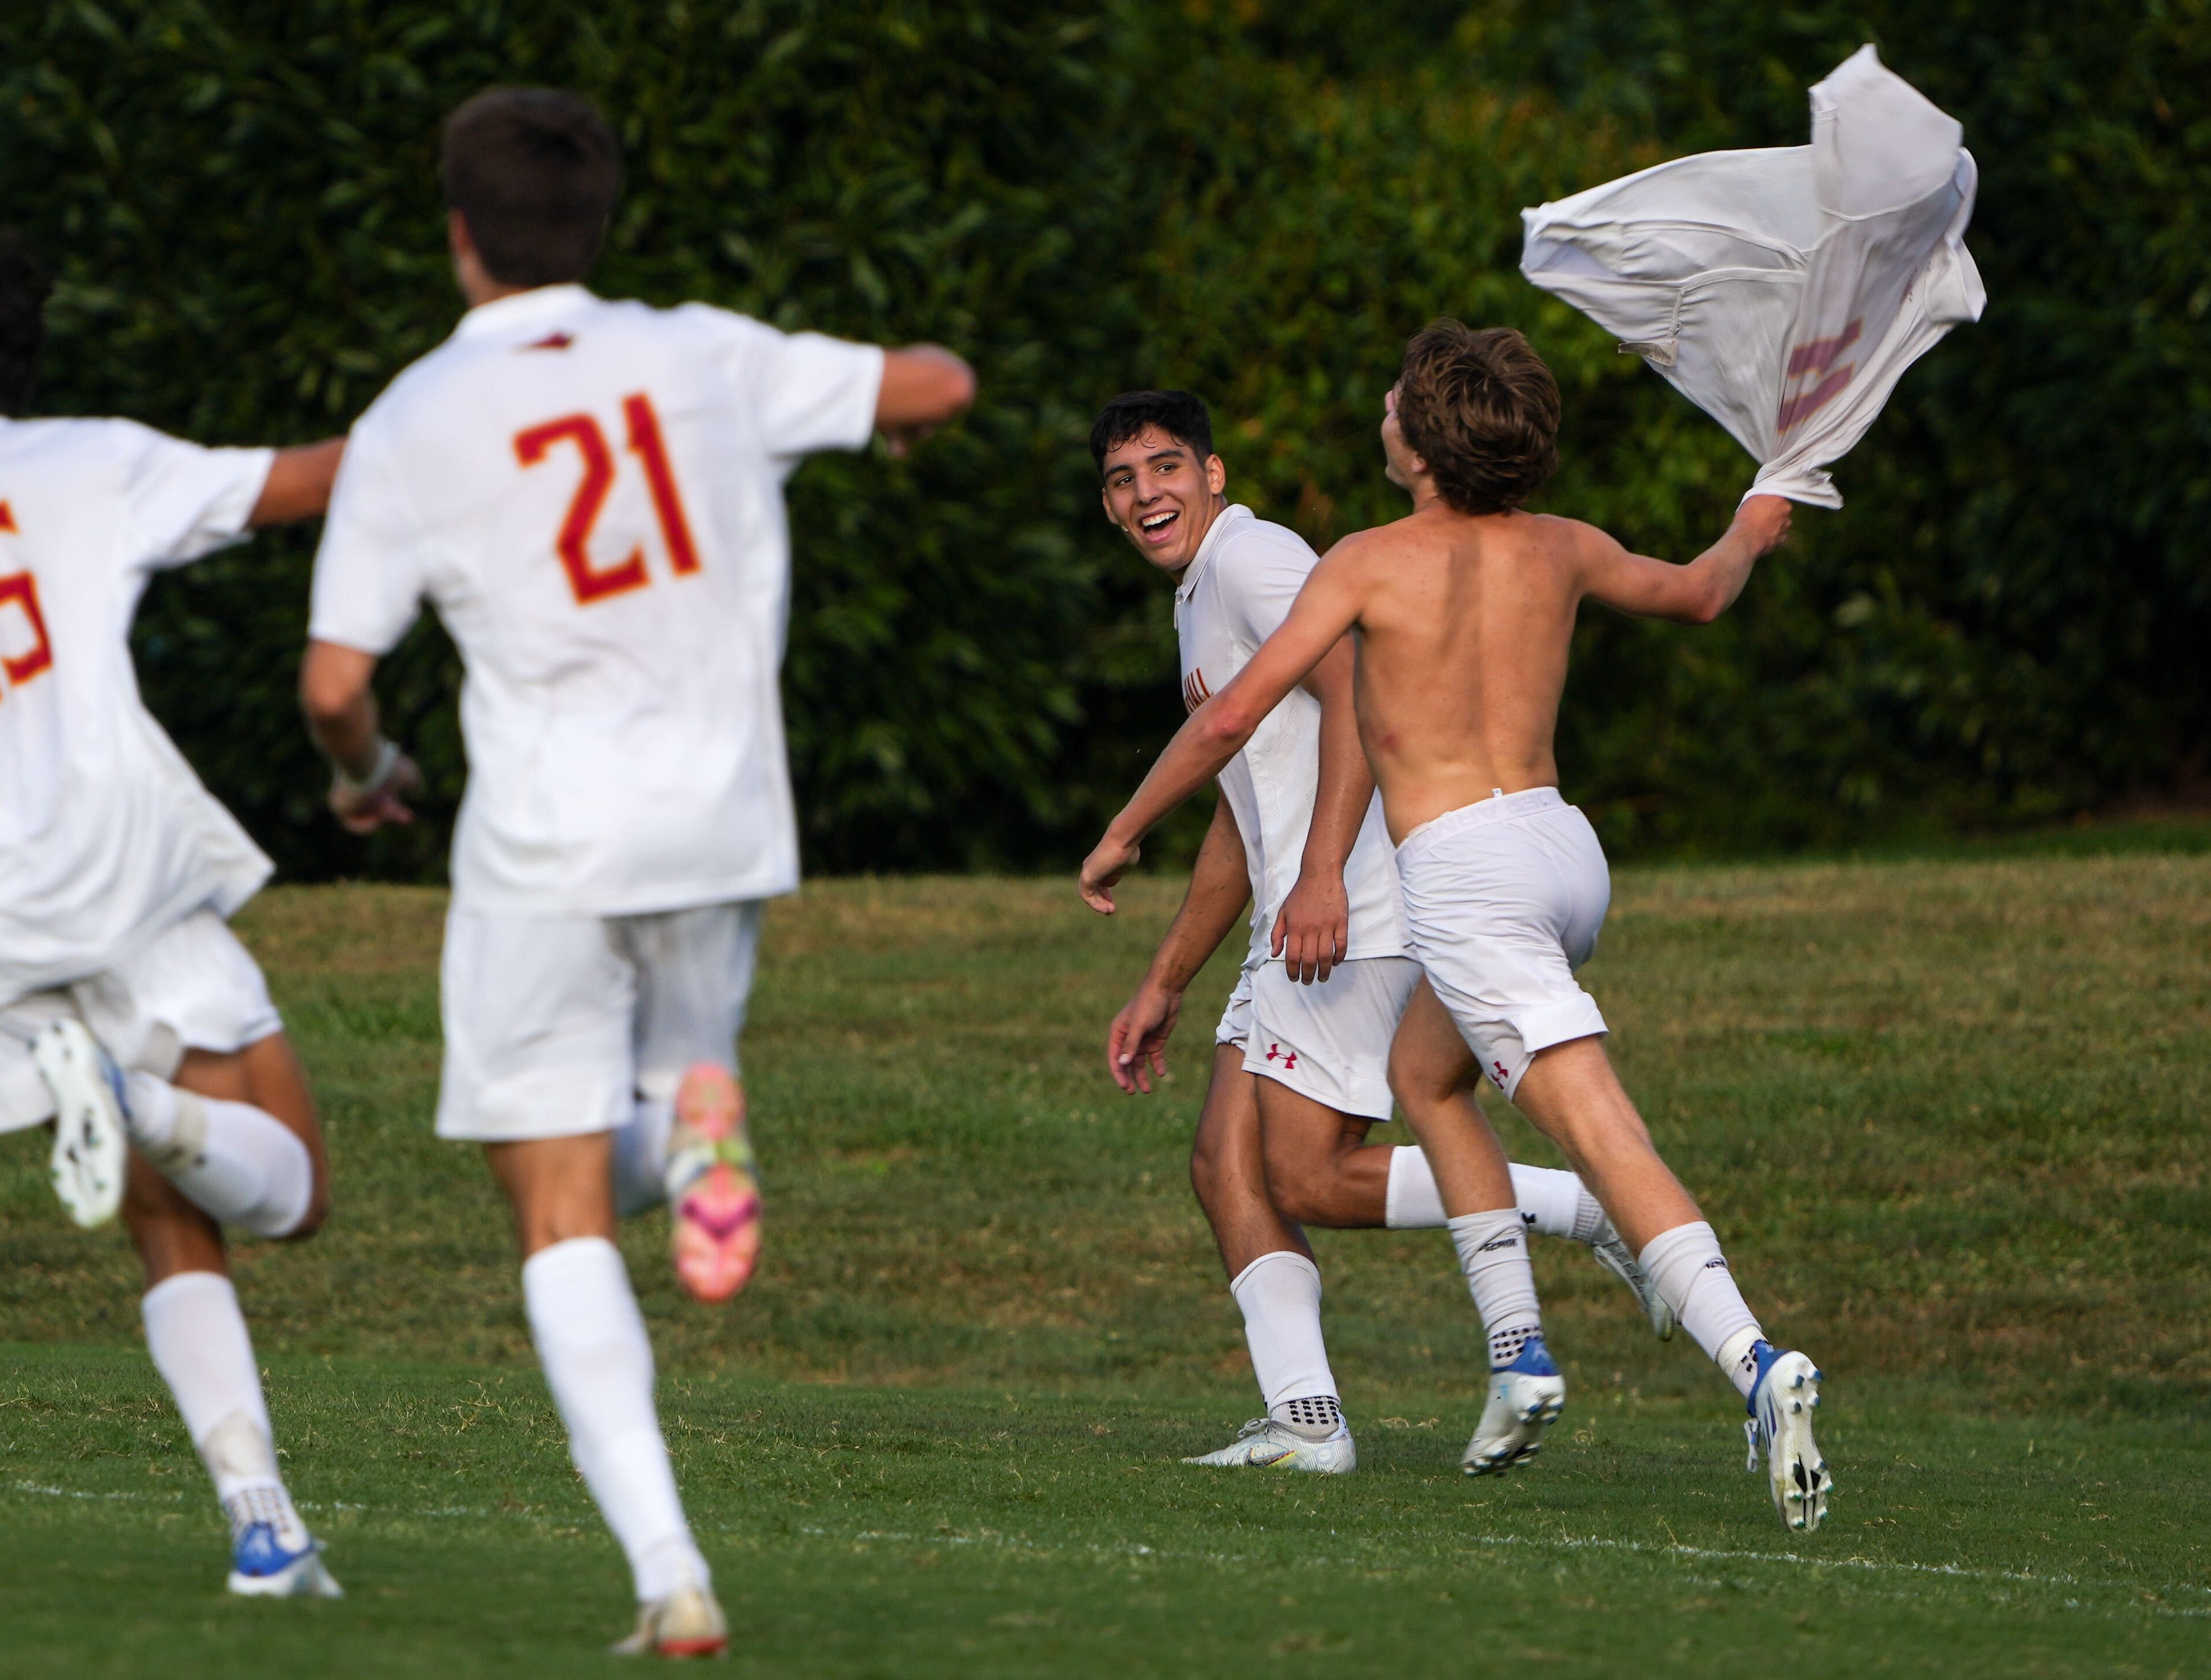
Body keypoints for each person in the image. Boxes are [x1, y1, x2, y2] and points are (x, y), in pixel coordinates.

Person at [299, 88, 976, 1656]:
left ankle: (669, 1574)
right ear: (596, 221)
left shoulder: (414, 416)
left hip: (545, 835)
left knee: (547, 1209)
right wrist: (856, 417)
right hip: (723, 819)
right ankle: (692, 1121)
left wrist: (367, 777)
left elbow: (335, 681)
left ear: (458, 234)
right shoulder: (699, 353)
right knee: (676, 1073)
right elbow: (935, 382)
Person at [1077, 321, 1829, 1532]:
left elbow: (1236, 730)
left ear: (1419, 442)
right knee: (1421, 1082)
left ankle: (1753, 1358)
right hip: (1560, 845)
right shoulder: (1562, 544)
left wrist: (1124, 830)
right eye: (1121, 477)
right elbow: (1697, 593)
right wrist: (1753, 518)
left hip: (1461, 873)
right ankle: (1510, 1354)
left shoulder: (1353, 561)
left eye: (1390, 401)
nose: (1379, 410)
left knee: (1597, 1132)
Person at [0, 233, 352, 1595]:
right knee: (296, 1190)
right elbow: (297, 483)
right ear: (20, 361)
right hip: (117, 866)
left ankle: (261, 1521)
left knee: (168, 1224)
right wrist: (444, 437)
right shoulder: (92, 458)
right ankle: (142, 1102)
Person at [1092, 391, 1671, 1476]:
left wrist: (1317, 878)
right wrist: (1166, 976)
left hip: (1351, 909)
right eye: (1122, 481)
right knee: (1225, 1164)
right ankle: (1306, 1424)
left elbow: (1361, 687)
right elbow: (1240, 803)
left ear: (1213, 475)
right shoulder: (1203, 591)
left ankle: (1590, 1206)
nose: (1146, 494)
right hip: (1302, 913)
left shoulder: (1250, 559)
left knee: (1304, 1176)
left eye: (1165, 468)